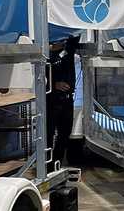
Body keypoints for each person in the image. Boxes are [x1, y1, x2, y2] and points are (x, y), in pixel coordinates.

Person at [46, 36, 78, 171]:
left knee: (65, 133)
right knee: (49, 133)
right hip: (51, 99)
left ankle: (57, 163)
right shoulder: (46, 56)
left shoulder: (68, 51)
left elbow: (74, 36)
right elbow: (39, 77)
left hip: (67, 99)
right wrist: (54, 84)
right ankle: (47, 166)